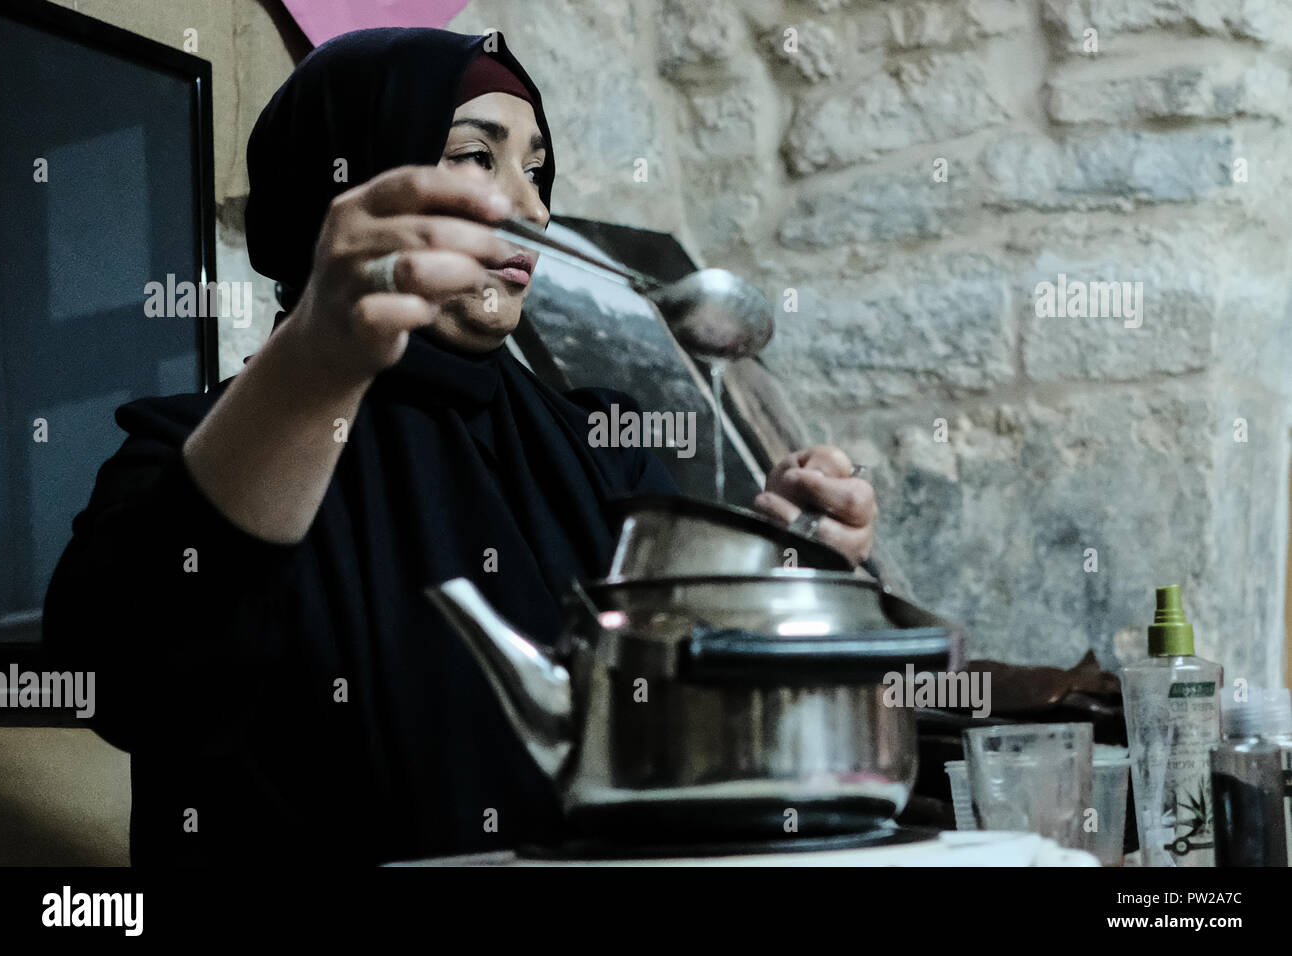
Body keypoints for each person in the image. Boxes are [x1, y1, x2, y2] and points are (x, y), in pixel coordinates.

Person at [43, 27, 877, 865]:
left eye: (536, 168)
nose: (534, 207)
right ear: (352, 179)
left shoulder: (600, 449)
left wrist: (791, 565)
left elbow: (694, 715)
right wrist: (314, 367)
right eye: (477, 156)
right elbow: (123, 682)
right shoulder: (195, 450)